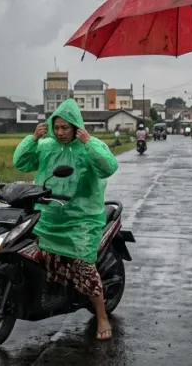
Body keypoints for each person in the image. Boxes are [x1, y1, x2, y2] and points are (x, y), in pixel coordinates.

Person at [13, 99, 120, 341]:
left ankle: (101, 315)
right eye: (57, 127)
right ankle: (53, 289)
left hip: (82, 219)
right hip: (49, 215)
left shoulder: (88, 146)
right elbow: (20, 163)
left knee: (83, 265)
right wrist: (32, 139)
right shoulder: (47, 146)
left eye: (65, 128)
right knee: (38, 255)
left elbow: (109, 167)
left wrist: (89, 142)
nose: (60, 132)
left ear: (76, 127)